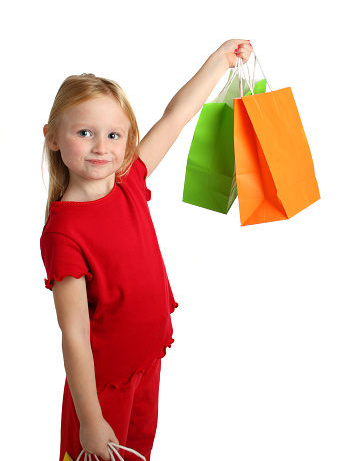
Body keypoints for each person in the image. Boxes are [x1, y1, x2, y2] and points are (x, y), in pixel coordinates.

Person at [40, 39, 253, 461]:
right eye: (85, 133)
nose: (102, 146)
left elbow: (174, 119)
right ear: (53, 139)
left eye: (113, 134)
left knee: (139, 452)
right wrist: (90, 418)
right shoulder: (64, 232)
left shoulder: (129, 182)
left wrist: (218, 63)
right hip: (100, 389)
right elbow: (75, 334)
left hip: (145, 364)